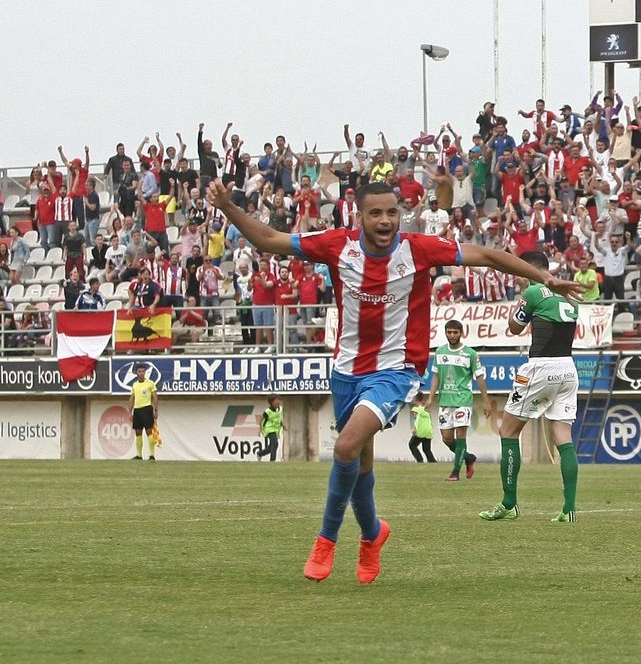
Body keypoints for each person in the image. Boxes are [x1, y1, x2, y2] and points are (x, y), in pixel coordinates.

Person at [204, 177, 582, 584]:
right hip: (346, 371)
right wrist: (227, 207)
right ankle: (371, 534)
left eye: (392, 212)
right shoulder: (337, 246)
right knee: (360, 462)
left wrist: (544, 280)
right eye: (376, 213)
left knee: (345, 446)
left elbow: (487, 255)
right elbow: (270, 240)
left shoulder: (417, 249)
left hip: (396, 369)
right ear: (359, 216)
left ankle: (326, 539)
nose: (386, 220)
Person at [480, 251, 582, 524]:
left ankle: (509, 503)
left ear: (529, 269)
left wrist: (520, 308)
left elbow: (514, 328)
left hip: (541, 368)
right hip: (568, 369)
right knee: (563, 435)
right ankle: (569, 508)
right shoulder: (568, 298)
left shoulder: (534, 291)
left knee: (508, 430)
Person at [423, 319, 489, 482]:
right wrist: (431, 398)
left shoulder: (470, 354)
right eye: (449, 332)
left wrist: (486, 401)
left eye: (455, 332)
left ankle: (455, 472)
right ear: (445, 333)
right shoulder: (439, 352)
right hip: (445, 400)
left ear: (461, 333)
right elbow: (436, 376)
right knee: (447, 438)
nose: (452, 335)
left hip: (463, 400)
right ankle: (468, 458)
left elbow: (479, 377)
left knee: (461, 436)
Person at [128, 362, 158, 461]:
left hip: (147, 409)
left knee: (149, 431)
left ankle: (152, 455)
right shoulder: (134, 385)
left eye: (143, 371)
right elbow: (132, 398)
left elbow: (155, 397)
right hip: (137, 410)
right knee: (138, 432)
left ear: (145, 372)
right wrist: (130, 412)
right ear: (136, 373)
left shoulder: (150, 383)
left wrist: (155, 409)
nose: (141, 373)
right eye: (139, 371)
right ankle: (139, 455)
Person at [260, 395, 284, 462]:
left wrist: (283, 425)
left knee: (271, 447)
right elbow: (261, 420)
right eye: (276, 400)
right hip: (268, 429)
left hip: (276, 429)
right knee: (275, 443)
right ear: (272, 402)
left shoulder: (280, 409)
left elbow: (278, 419)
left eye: (278, 400)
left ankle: (260, 454)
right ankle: (272, 461)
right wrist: (260, 429)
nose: (278, 402)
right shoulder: (268, 411)